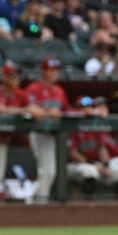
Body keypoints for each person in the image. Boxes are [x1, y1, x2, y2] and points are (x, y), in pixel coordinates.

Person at [0, 64, 42, 197]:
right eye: (12, 76)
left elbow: (35, 109)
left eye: (17, 76)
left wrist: (32, 110)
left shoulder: (21, 93)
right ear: (4, 77)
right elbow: (0, 109)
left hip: (2, 141)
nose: (16, 79)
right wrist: (24, 110)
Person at [25, 57, 70, 202]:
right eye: (50, 70)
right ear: (43, 71)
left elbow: (66, 110)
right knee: (47, 171)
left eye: (55, 70)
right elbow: (31, 109)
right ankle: (40, 203)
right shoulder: (34, 88)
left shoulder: (60, 90)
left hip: (53, 136)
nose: (53, 73)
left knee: (51, 171)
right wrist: (49, 112)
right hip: (39, 133)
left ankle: (39, 201)